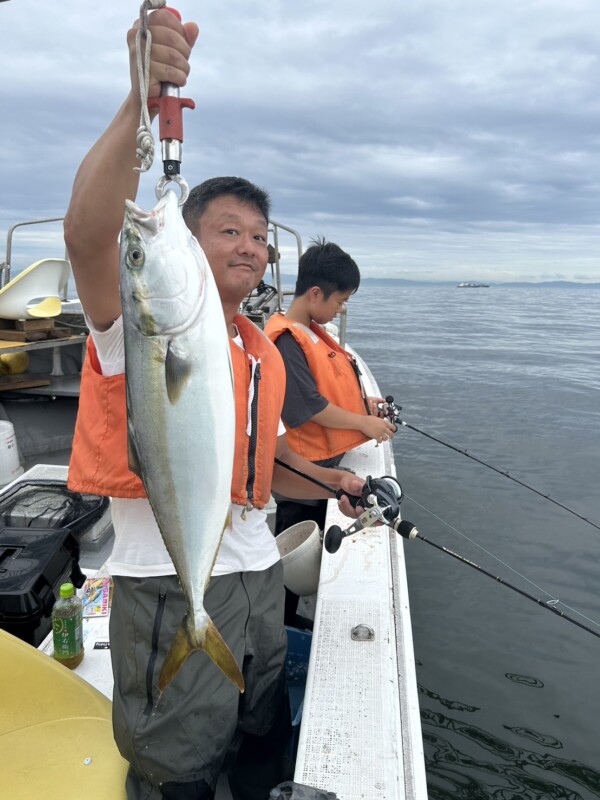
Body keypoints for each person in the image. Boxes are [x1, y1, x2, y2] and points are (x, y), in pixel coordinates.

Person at [64, 10, 366, 800]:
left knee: (253, 715)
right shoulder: (141, 328)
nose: (250, 247)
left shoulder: (254, 347)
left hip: (254, 567)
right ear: (185, 248)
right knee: (177, 755)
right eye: (227, 230)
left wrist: (333, 482)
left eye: (260, 237)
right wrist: (139, 98)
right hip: (168, 578)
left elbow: (256, 454)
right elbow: (91, 236)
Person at [264, 238, 397, 539]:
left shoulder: (307, 332)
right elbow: (309, 406)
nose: (341, 309)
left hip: (322, 463)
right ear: (315, 294)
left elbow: (326, 387)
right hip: (301, 474)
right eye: (339, 301)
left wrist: (366, 406)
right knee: (298, 539)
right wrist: (364, 422)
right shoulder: (287, 340)